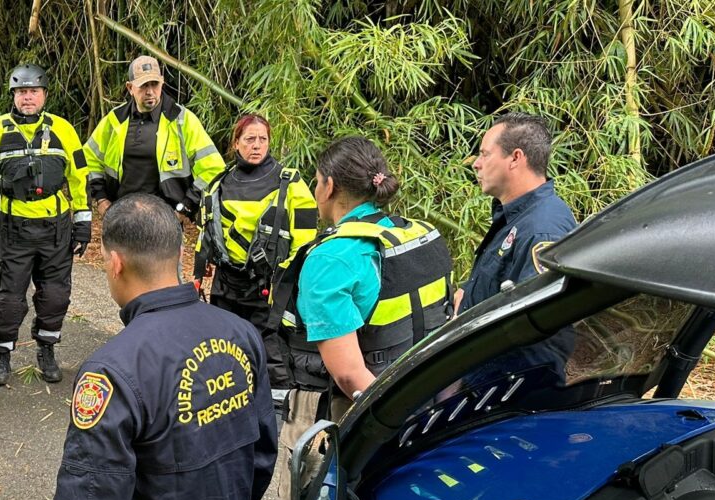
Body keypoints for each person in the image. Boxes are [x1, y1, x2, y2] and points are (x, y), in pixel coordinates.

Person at [49, 193, 278, 500]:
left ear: (114, 263)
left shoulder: (112, 370)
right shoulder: (239, 333)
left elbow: (90, 499)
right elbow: (262, 451)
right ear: (178, 253)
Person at [272, 136, 452, 422]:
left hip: (364, 415)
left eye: (317, 181)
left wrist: (395, 429)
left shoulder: (329, 260)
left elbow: (349, 374)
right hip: (432, 398)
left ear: (329, 186)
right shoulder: (422, 233)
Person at [0, 64, 91, 386]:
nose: (27, 97)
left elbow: (79, 178)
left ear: (44, 95)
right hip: (14, 229)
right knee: (9, 299)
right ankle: (1, 353)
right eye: (22, 92)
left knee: (55, 295)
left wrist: (83, 220)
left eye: (33, 91)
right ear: (13, 95)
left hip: (56, 228)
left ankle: (47, 350)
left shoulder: (64, 130)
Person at [196, 113, 317, 410]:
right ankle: (227, 401)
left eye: (263, 139)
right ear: (236, 143)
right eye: (250, 139)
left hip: (270, 287)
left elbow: (306, 239)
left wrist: (290, 281)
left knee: (272, 349)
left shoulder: (290, 183)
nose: (257, 145)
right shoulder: (219, 183)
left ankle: (275, 410)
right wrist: (200, 270)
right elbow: (207, 230)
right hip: (226, 283)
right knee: (223, 345)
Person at [457, 112, 576, 313]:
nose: (476, 163)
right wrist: (467, 294)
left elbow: (539, 325)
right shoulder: (515, 216)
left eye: (485, 154)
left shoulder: (542, 231)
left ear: (515, 158)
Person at [83, 55, 225, 222]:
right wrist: (101, 199)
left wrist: (186, 207)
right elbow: (88, 158)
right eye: (143, 86)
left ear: (162, 82)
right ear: (130, 88)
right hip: (122, 218)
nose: (150, 91)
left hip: (165, 219)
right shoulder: (116, 120)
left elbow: (213, 167)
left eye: (154, 84)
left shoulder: (181, 120)